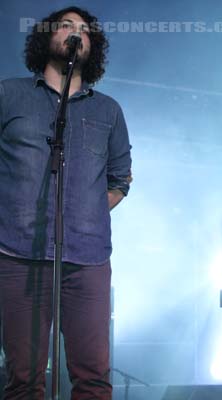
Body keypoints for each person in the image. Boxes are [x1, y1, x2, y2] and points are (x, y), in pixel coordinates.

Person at [0, 7, 132, 399]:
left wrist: (85, 212)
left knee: (92, 378)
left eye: (85, 30)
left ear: (94, 46)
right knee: (23, 378)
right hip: (17, 255)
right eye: (66, 26)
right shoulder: (9, 94)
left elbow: (120, 180)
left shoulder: (108, 110)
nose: (76, 33)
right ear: (46, 38)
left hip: (87, 261)